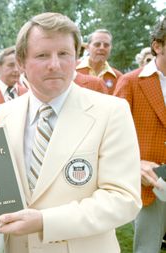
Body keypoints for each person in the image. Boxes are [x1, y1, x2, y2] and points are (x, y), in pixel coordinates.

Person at [0, 12, 141, 253]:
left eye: (64, 54)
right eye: (42, 55)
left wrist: (45, 222)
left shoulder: (112, 111)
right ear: (20, 62)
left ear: (76, 58)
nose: (55, 64)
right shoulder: (3, 114)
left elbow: (122, 199)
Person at [113, 17, 166, 253]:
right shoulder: (131, 82)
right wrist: (135, 164)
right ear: (157, 45)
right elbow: (112, 137)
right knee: (147, 248)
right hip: (149, 186)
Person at [76, 29, 123, 94]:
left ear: (111, 48)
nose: (102, 48)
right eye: (97, 44)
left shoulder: (118, 77)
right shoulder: (72, 69)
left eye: (106, 45)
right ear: (87, 47)